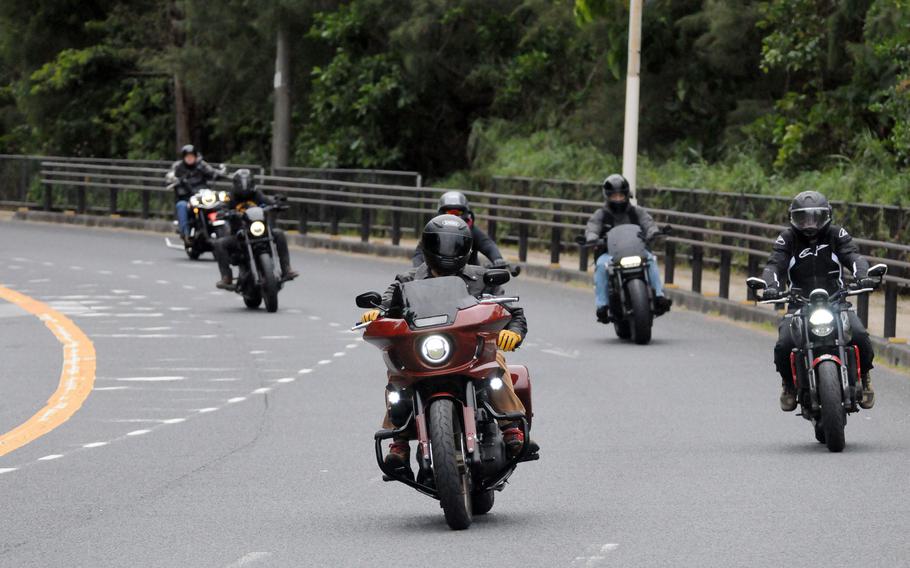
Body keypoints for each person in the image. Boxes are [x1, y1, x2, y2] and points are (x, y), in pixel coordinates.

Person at [361, 215, 536, 468]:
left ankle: (512, 429)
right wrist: (377, 313)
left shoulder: (481, 277)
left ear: (466, 248)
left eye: (455, 245)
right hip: (424, 352)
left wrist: (514, 332)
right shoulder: (407, 280)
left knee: (495, 360)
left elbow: (511, 310)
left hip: (470, 351)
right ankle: (398, 442)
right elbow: (387, 305)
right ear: (429, 246)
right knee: (397, 376)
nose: (447, 251)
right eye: (441, 244)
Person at [760, 190, 877, 411]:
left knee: (860, 334)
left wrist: (862, 275)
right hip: (799, 304)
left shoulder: (836, 234)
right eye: (803, 218)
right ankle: (788, 385)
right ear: (793, 218)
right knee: (784, 343)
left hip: (836, 301)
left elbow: (854, 256)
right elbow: (774, 265)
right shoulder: (787, 238)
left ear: (827, 216)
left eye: (816, 217)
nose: (809, 224)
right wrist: (770, 286)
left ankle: (866, 376)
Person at [584, 174, 671, 323]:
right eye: (614, 196)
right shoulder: (601, 215)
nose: (618, 199)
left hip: (636, 251)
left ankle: (659, 296)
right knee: (600, 265)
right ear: (608, 196)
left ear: (626, 194)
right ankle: (602, 306)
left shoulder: (637, 212)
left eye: (621, 195)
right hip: (609, 255)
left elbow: (648, 223)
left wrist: (653, 232)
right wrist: (592, 237)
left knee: (650, 259)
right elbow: (592, 227)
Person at [212, 169, 298, 290]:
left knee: (279, 234)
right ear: (236, 184)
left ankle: (286, 269)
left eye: (247, 183)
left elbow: (267, 201)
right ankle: (226, 276)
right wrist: (222, 211)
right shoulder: (230, 196)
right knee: (219, 243)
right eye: (241, 184)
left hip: (260, 232)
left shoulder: (257, 194)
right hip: (239, 235)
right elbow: (223, 205)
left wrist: (276, 204)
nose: (244, 187)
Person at [412, 191, 507, 269]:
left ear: (466, 213)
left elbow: (487, 244)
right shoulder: (433, 231)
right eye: (449, 212)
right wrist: (419, 270)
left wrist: (497, 258)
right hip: (437, 276)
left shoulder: (471, 230)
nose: (453, 216)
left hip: (471, 279)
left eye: (457, 212)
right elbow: (419, 253)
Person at [167, 145, 222, 240]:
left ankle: (220, 230)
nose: (189, 158)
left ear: (195, 156)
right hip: (186, 197)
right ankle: (185, 233)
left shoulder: (201, 164)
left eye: (192, 156)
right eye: (187, 156)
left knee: (218, 203)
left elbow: (212, 172)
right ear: (183, 157)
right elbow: (169, 176)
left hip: (202, 196)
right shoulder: (178, 166)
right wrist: (174, 179)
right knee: (181, 205)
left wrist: (219, 174)